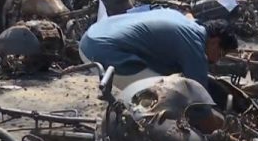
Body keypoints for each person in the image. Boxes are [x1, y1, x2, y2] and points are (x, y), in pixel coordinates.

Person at [78, 9, 238, 89]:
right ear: (214, 41)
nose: (216, 60)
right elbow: (199, 101)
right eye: (220, 54)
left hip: (91, 35)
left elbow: (189, 14)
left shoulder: (181, 18)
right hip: (99, 54)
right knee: (170, 93)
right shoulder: (194, 46)